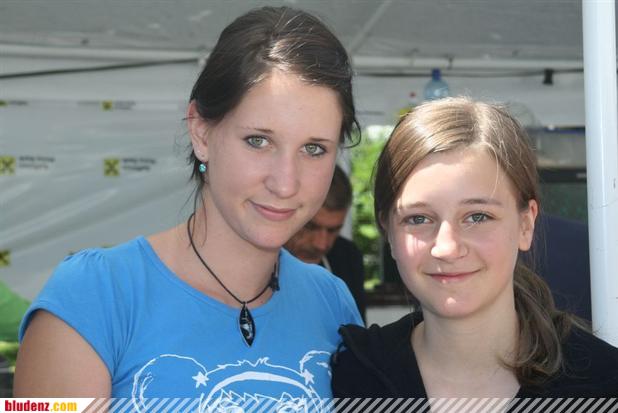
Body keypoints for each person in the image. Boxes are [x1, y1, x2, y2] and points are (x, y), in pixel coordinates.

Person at [14, 6, 363, 405]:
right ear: (201, 132)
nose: (285, 183)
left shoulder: (331, 302)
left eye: (314, 149)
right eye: (258, 141)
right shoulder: (93, 295)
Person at [331, 97, 618, 399]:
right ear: (388, 232)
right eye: (418, 218)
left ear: (526, 225)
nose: (447, 247)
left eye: (478, 216)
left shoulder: (603, 384)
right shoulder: (352, 377)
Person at [285, 165, 367, 321]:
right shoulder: (254, 262)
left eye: (333, 231)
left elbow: (357, 333)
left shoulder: (347, 257)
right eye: (310, 227)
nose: (321, 244)